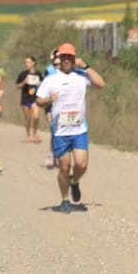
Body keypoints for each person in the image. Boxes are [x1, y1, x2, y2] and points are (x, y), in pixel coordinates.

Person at [35, 42, 105, 213]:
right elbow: (38, 100)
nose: (66, 59)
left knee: (81, 164)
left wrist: (86, 66)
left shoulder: (81, 76)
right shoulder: (51, 79)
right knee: (64, 167)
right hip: (60, 131)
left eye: (69, 56)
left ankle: (75, 181)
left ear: (74, 58)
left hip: (79, 130)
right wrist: (49, 100)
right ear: (59, 58)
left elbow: (100, 84)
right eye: (63, 56)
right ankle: (65, 199)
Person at [18, 55, 43, 143]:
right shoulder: (23, 74)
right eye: (25, 62)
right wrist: (24, 82)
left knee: (36, 116)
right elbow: (18, 86)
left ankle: (35, 133)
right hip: (25, 98)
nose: (26, 64)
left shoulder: (38, 74)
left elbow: (43, 84)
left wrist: (39, 84)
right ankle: (28, 135)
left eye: (28, 62)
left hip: (35, 98)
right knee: (27, 118)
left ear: (33, 63)